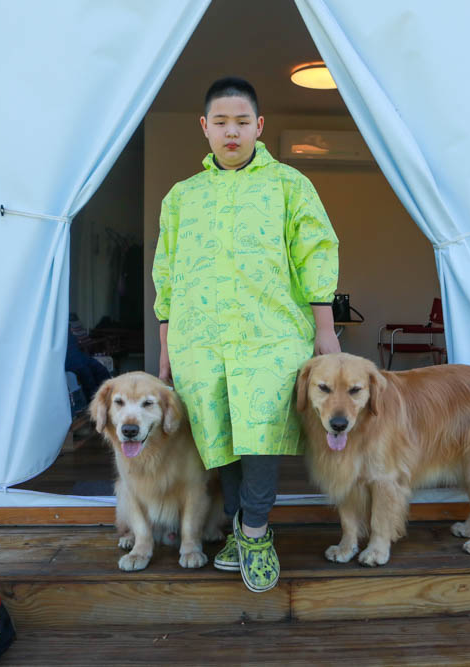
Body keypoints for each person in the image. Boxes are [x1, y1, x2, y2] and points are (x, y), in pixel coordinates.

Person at [152, 76, 340, 593]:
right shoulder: (181, 198)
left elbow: (316, 254)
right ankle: (239, 525)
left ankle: (255, 532)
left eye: (241, 123)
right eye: (220, 122)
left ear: (259, 127)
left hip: (271, 335)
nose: (230, 132)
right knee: (221, 435)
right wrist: (166, 348)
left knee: (260, 436)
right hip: (201, 338)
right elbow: (166, 274)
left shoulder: (289, 185)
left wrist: (325, 331)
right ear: (204, 128)